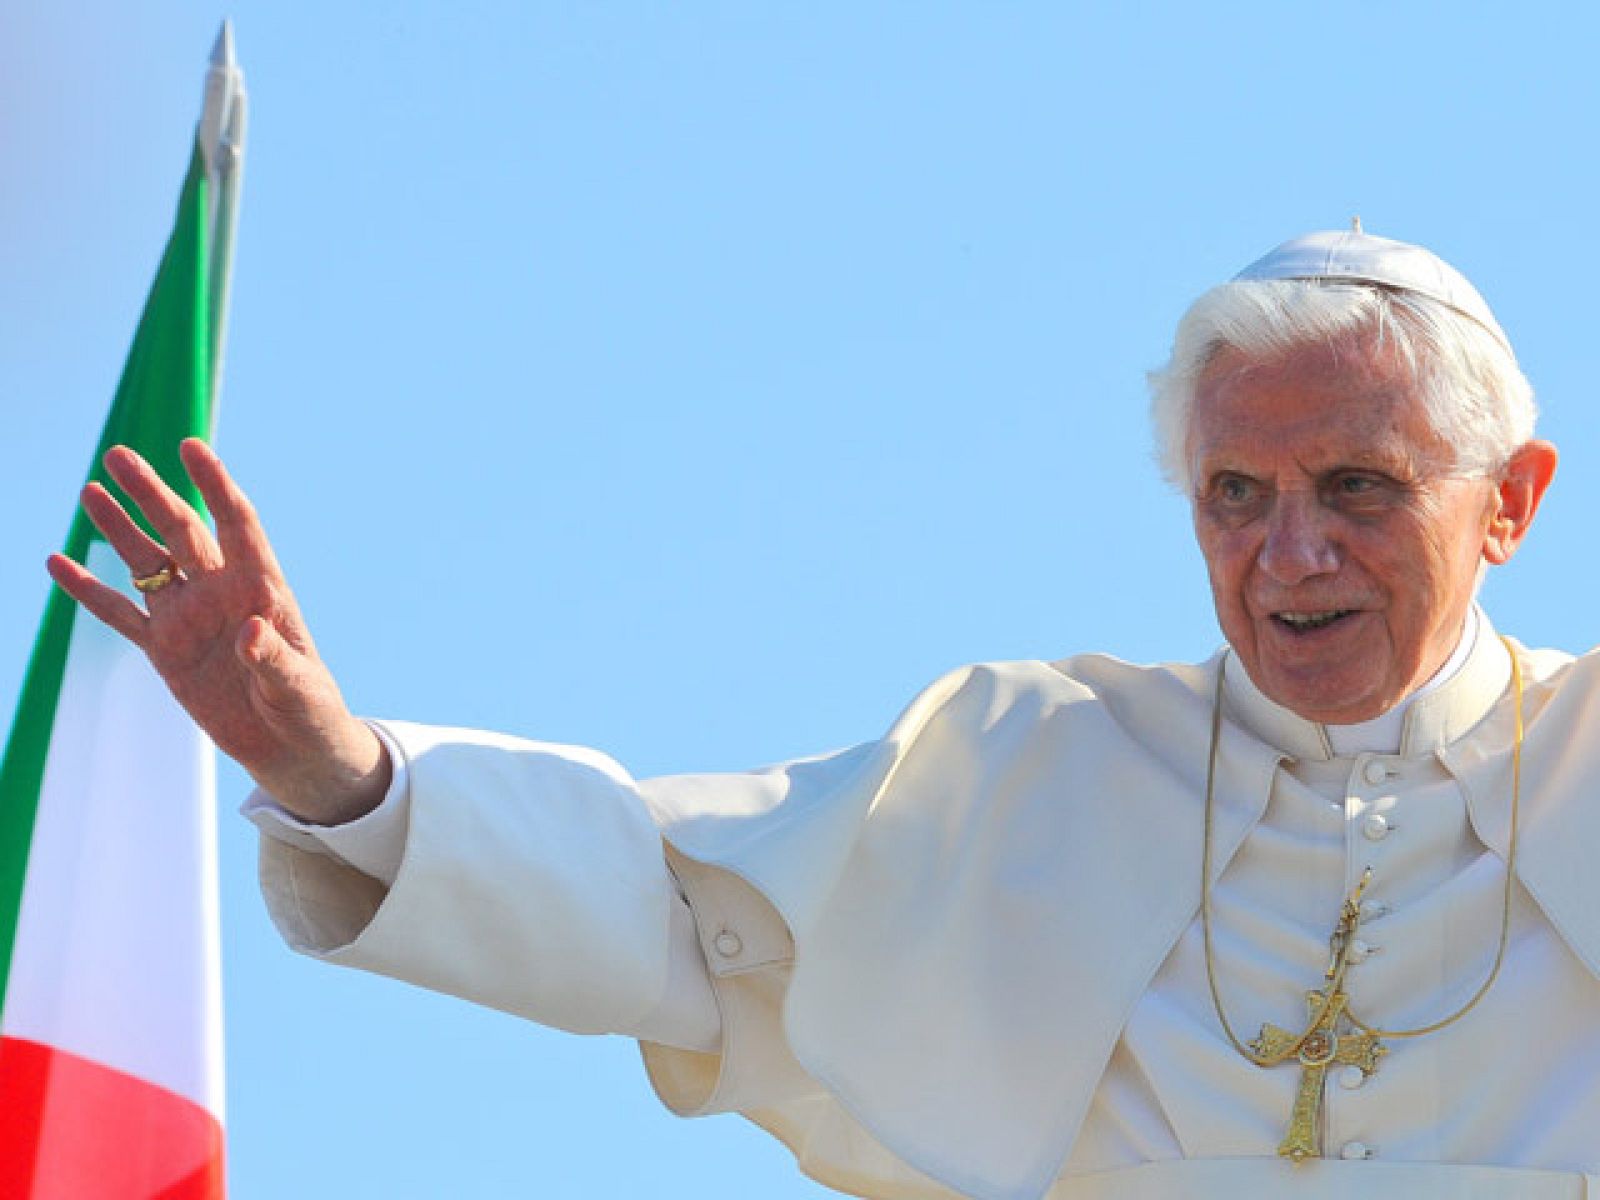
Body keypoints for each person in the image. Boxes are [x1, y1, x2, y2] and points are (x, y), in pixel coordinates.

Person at [49, 225, 1599, 1200]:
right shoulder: (1037, 765)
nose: (1290, 555)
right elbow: (671, 904)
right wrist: (329, 764)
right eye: (1236, 497)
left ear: (1512, 504)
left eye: (1357, 490)